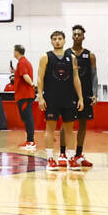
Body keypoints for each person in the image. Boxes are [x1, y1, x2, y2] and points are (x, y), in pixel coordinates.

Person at [37, 30, 82, 171]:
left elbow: (76, 78)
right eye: (54, 39)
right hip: (51, 98)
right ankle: (50, 158)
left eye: (60, 38)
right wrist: (40, 96)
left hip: (68, 98)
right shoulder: (46, 57)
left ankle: (70, 158)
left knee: (69, 130)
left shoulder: (72, 57)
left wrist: (80, 97)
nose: (57, 41)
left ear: (64, 41)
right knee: (50, 129)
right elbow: (40, 77)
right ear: (51, 41)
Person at [67, 25, 96, 168]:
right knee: (67, 124)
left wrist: (95, 94)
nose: (77, 36)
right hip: (69, 94)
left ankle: (78, 155)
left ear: (84, 37)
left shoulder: (89, 55)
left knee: (83, 124)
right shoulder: (66, 54)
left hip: (85, 95)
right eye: (75, 34)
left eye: (79, 34)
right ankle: (64, 154)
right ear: (72, 37)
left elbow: (94, 76)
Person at [12, 44, 37, 150]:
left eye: (14, 51)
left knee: (28, 118)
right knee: (26, 118)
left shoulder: (21, 62)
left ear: (17, 51)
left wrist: (32, 85)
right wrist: (15, 72)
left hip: (24, 95)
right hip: (24, 94)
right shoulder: (24, 62)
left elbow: (25, 75)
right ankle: (29, 140)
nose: (13, 53)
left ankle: (30, 141)